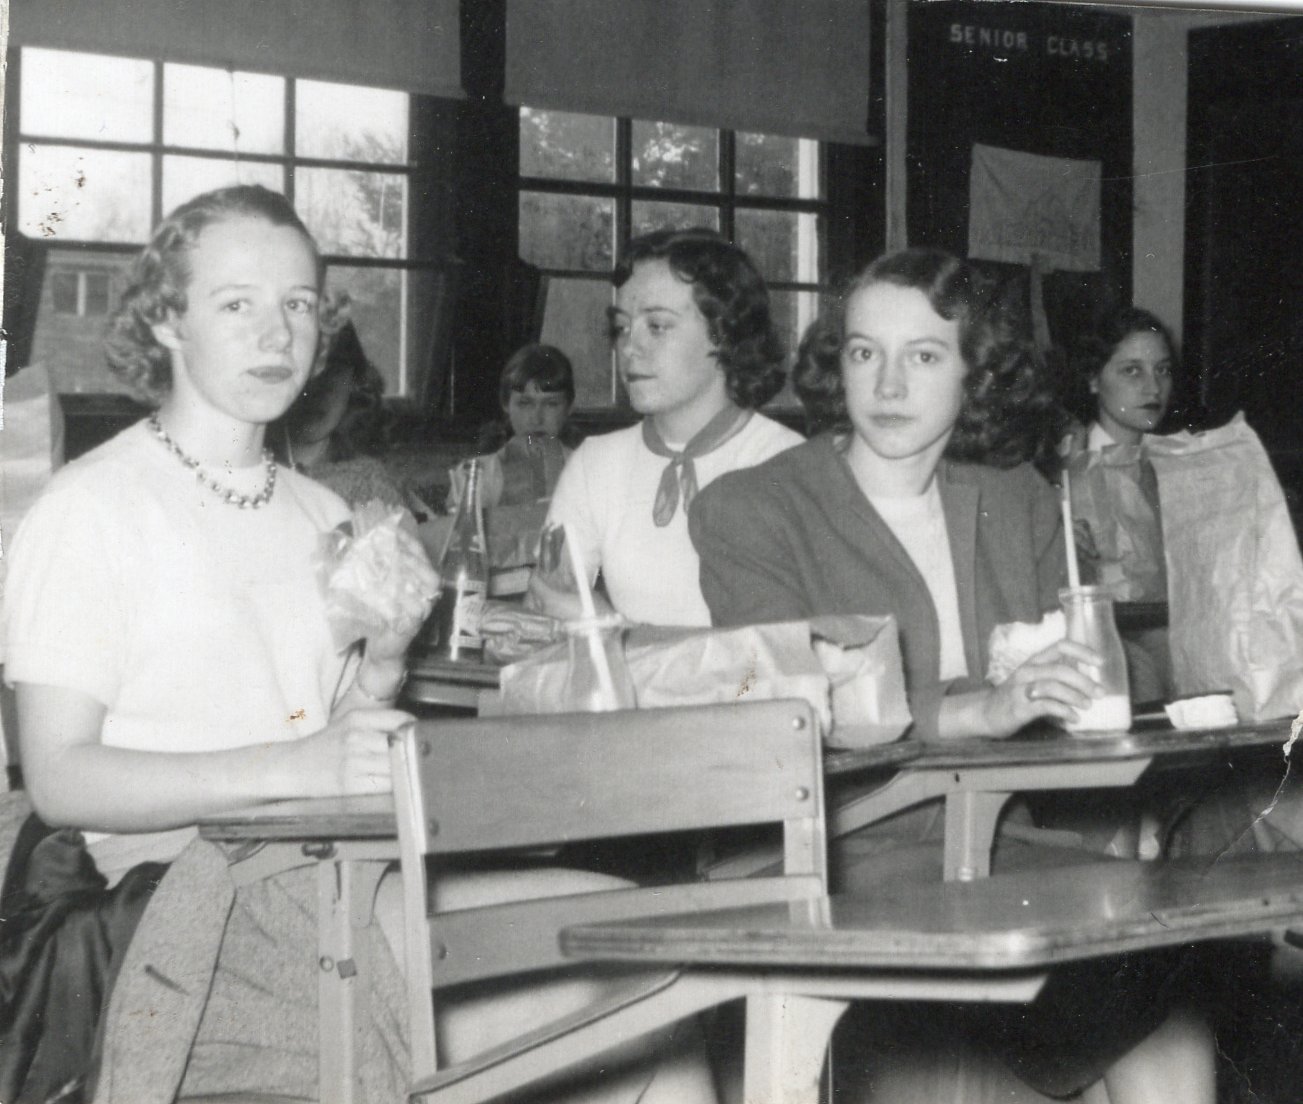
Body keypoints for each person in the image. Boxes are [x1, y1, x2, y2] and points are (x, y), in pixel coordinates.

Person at [0, 185, 716, 1104]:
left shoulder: (321, 511)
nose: (277, 333)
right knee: (617, 976)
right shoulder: (92, 507)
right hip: (169, 908)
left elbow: (327, 738)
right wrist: (296, 764)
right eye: (237, 304)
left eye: (299, 304)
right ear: (168, 320)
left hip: (320, 864)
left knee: (642, 951)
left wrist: (378, 671)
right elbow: (60, 778)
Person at [690, 248, 1214, 1104]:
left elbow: (1093, 669)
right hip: (831, 854)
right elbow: (790, 708)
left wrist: (1104, 693)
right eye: (864, 352)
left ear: (977, 372)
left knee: (1163, 995)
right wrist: (984, 710)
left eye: (924, 355)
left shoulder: (1017, 499)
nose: (887, 384)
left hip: (996, 844)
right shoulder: (752, 509)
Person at [527, 227, 801, 627]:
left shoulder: (787, 466)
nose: (629, 348)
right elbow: (549, 604)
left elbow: (772, 651)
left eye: (657, 326)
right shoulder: (596, 463)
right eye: (622, 327)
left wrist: (609, 629)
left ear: (725, 333)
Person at [1060, 306, 1179, 701]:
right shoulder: (1061, 471)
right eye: (1132, 371)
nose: (1153, 388)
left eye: (1162, 370)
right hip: (1105, 645)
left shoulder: (1180, 466)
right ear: (1094, 379)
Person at [269, 302, 415, 513]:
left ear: (354, 380)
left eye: (332, 373)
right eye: (304, 374)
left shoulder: (370, 483)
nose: (317, 390)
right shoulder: (246, 473)